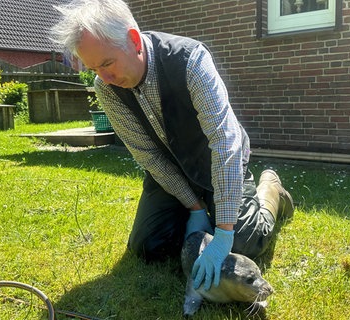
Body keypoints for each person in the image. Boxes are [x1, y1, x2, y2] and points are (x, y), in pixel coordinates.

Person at [51, 0, 294, 291]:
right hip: (172, 167)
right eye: (94, 68)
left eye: (107, 63)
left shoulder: (190, 60)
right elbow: (149, 156)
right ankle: (199, 207)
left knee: (245, 241)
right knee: (149, 245)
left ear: (133, 40)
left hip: (215, 160)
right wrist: (193, 208)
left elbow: (224, 141)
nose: (105, 78)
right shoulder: (106, 88)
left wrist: (224, 234)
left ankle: (272, 190)